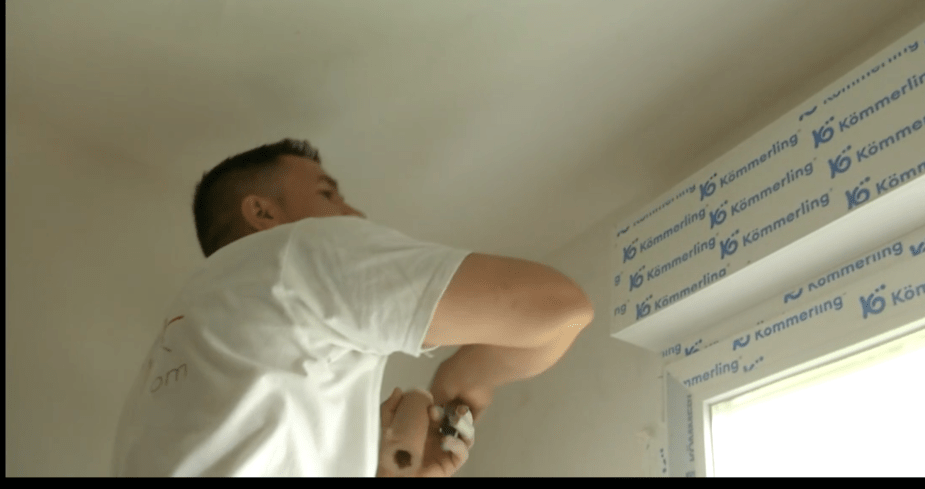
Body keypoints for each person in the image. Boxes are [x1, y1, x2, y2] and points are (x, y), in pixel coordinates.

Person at [110, 139, 594, 476]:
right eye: (328, 194)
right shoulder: (295, 252)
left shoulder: (176, 360)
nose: (354, 215)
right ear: (262, 213)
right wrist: (463, 382)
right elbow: (558, 308)